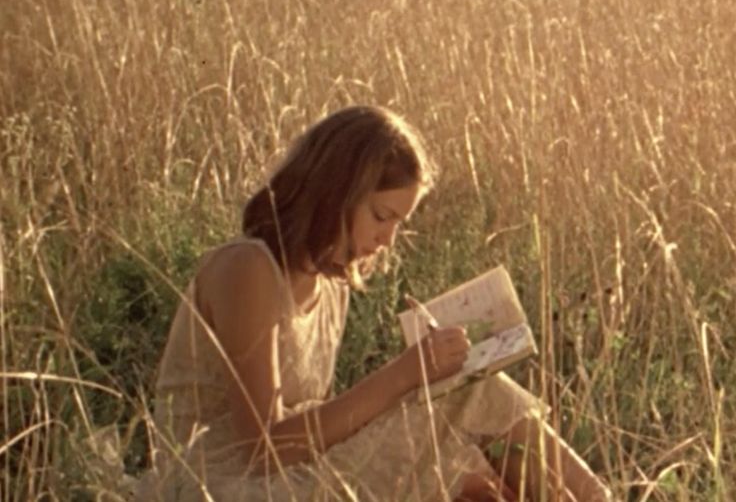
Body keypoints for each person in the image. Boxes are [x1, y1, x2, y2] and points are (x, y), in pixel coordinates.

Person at [136, 105, 612, 501]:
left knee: (474, 462)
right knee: (477, 399)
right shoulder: (248, 269)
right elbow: (262, 448)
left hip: (289, 476)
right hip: (220, 486)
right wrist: (407, 375)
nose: (387, 239)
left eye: (398, 223)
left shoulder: (331, 285)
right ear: (334, 191)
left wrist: (424, 388)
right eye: (381, 216)